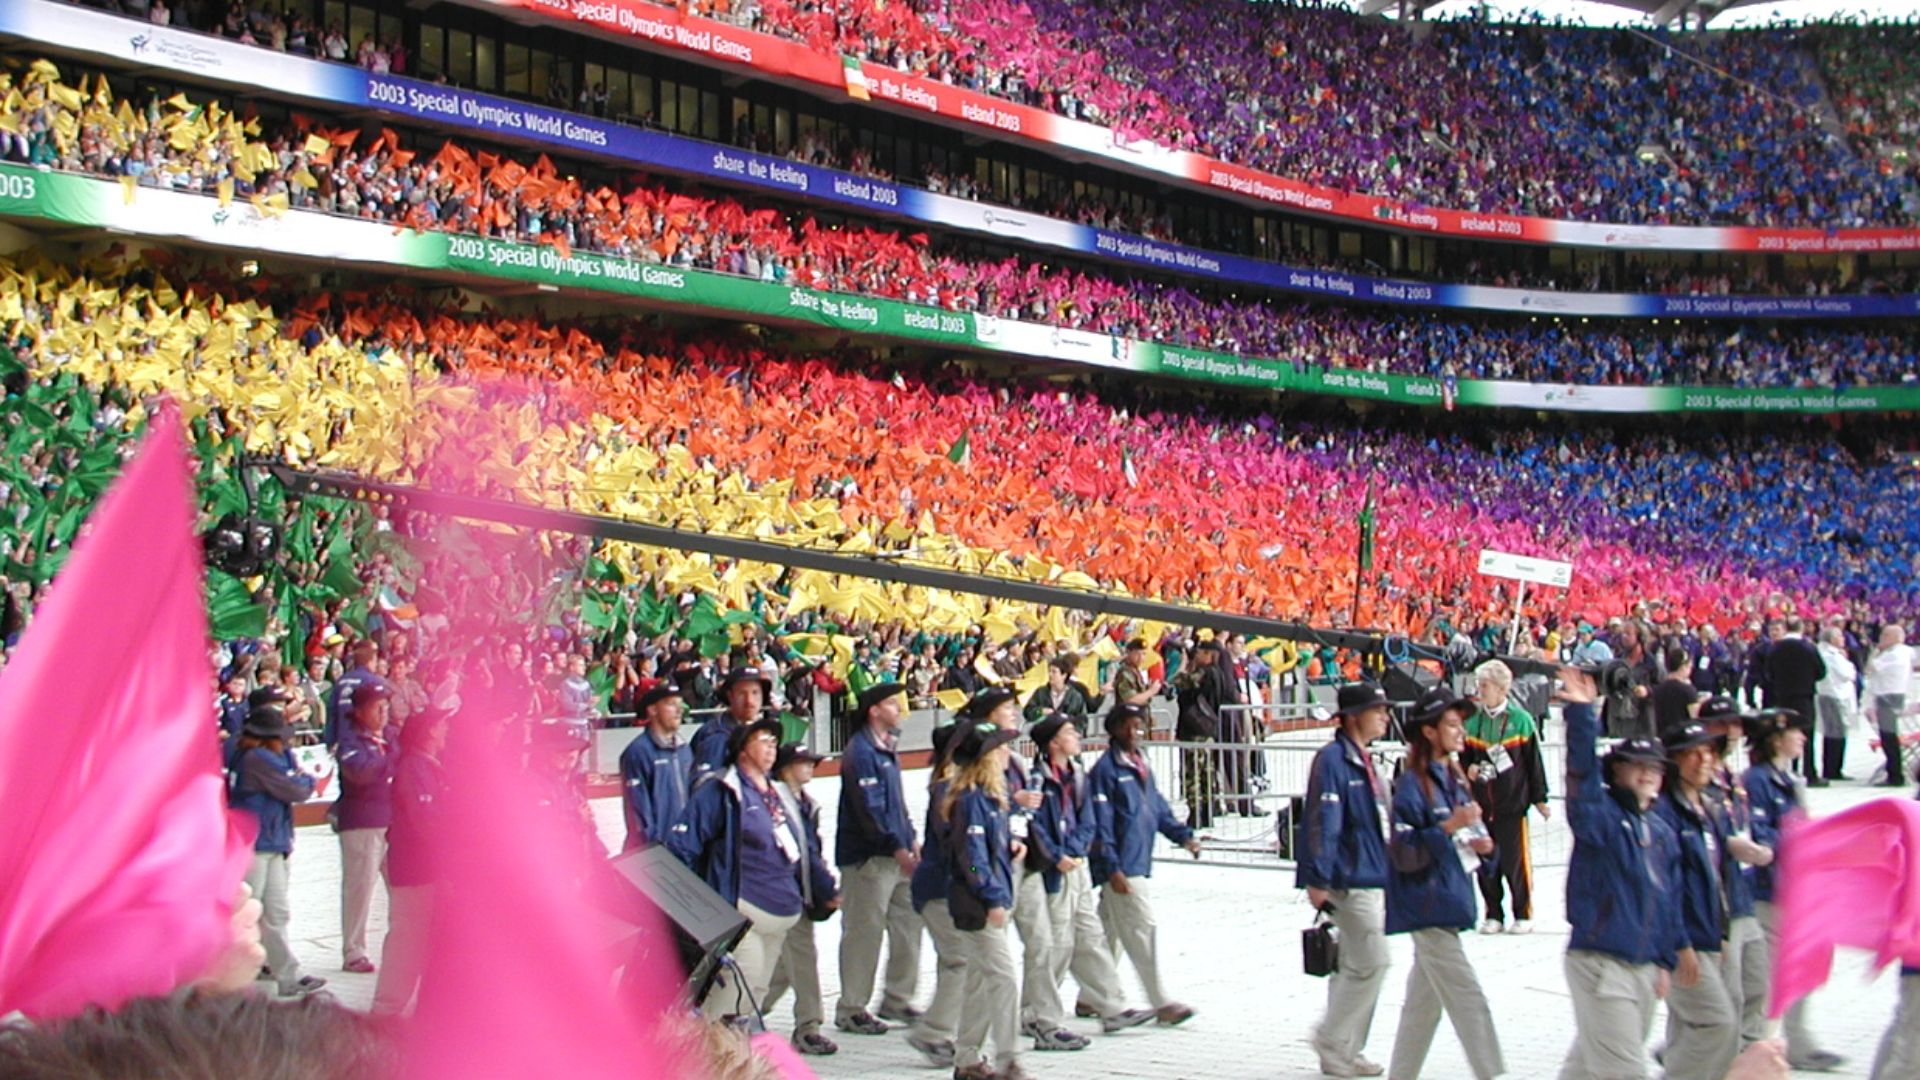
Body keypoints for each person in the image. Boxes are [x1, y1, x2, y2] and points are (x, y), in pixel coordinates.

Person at [1557, 666, 1683, 1080]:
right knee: (1624, 1070)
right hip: (1602, 962)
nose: (1648, 773)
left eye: (1656, 767)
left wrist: (1665, 958)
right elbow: (1581, 777)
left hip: (1644, 966)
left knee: (1589, 1067)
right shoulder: (1601, 818)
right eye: (1636, 765)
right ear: (1616, 771)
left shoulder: (1662, 831)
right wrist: (1581, 715)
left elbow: (1667, 899)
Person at [1385, 686, 1505, 1080]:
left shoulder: (1452, 780)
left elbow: (1462, 841)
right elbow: (1404, 852)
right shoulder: (1411, 785)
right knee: (1468, 998)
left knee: (1423, 1006)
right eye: (1451, 724)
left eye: (1460, 724)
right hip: (1427, 906)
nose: (1460, 731)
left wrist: (1482, 846)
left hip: (1450, 898)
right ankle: (1494, 1073)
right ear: (1429, 731)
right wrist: (1448, 827)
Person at [1028, 712, 1157, 1037]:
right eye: (1070, 732)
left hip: (1078, 867)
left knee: (1090, 936)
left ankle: (1112, 1007)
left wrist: (1077, 849)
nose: (1077, 736)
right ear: (1054, 742)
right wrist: (1056, 856)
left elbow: (1089, 820)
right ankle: (1034, 1010)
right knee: (1057, 942)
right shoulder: (1038, 780)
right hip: (1054, 871)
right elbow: (1034, 825)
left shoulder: (1079, 776)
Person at [667, 716, 799, 1019]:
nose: (771, 748)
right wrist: (704, 910)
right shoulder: (720, 790)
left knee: (754, 998)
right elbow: (680, 847)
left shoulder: (777, 793)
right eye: (763, 741)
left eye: (774, 742)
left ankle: (733, 1057)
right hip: (741, 914)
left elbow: (801, 847)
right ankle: (704, 1056)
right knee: (734, 992)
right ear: (742, 748)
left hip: (780, 910)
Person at [1296, 682, 1393, 1077]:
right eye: (1377, 710)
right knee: (1373, 962)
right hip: (1348, 877)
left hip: (1372, 872)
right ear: (1354, 716)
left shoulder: (1365, 759)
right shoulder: (1334, 761)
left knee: (1353, 965)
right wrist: (1316, 878)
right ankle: (1332, 1037)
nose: (1385, 717)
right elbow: (1323, 821)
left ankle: (1345, 1051)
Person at [1743, 708, 1845, 1072]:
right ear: (1775, 738)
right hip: (1768, 892)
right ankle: (1748, 1047)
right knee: (1768, 977)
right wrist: (1802, 834)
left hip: (1794, 888)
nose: (1803, 738)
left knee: (1798, 968)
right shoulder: (1756, 781)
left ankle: (1796, 1042)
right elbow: (1761, 836)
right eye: (1797, 732)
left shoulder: (1787, 779)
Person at [1090, 702, 1201, 1028]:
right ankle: (1159, 1000)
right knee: (1141, 930)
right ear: (1114, 729)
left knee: (1105, 933)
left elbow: (1157, 808)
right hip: (1123, 865)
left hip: (1136, 857)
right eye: (1129, 725)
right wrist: (1112, 868)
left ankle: (1091, 994)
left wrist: (1183, 836)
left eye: (1139, 725)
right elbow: (1101, 825)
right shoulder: (1106, 772)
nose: (1135, 731)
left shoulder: (1140, 765)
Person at [1655, 720, 1743, 1080]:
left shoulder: (1708, 808)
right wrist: (1680, 944)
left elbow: (1719, 878)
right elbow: (1665, 885)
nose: (1703, 760)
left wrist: (1722, 933)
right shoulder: (1665, 813)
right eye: (1692, 754)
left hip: (1711, 934)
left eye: (1708, 752)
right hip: (1683, 939)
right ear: (1673, 761)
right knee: (1717, 1024)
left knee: (1691, 1025)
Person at [833, 682, 922, 1036]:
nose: (898, 707)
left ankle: (898, 996)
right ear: (873, 710)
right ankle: (851, 1007)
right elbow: (869, 810)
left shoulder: (886, 747)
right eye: (891, 703)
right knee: (864, 932)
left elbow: (895, 803)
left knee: (908, 923)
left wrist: (910, 837)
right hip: (869, 858)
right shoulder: (861, 751)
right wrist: (897, 846)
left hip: (896, 854)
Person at [941, 720, 1027, 1080]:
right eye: (1000, 747)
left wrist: (1007, 847)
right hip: (976, 905)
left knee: (980, 980)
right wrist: (991, 895)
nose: (1008, 752)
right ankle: (1008, 1057)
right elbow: (971, 857)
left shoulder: (990, 800)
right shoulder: (972, 801)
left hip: (989, 900)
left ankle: (967, 1057)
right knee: (1004, 979)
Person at [227, 705, 325, 997]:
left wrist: (294, 769)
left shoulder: (253, 754)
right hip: (257, 843)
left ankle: (285, 974)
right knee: (251, 911)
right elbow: (297, 788)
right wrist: (302, 776)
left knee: (274, 912)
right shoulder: (258, 759)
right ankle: (237, 975)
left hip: (269, 841)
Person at [762, 742, 841, 1057]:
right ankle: (809, 1027)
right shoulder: (777, 803)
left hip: (801, 891)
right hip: (787, 892)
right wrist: (826, 887)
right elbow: (800, 853)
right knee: (804, 958)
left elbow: (812, 852)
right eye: (803, 762)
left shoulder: (806, 803)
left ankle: (742, 1013)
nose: (810, 766)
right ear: (785, 768)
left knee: (784, 966)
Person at [1461, 659, 1550, 935]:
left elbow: (1533, 762)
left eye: (1485, 685)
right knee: (1487, 863)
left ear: (1501, 688)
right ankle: (1493, 913)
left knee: (1515, 861)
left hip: (1512, 804)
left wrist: (1540, 798)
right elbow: (1463, 759)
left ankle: (1522, 912)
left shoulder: (1520, 721)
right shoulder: (1473, 722)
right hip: (1482, 805)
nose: (1480, 690)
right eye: (1479, 685)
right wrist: (1469, 770)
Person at [371, 708, 449, 1016]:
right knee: (407, 941)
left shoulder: (430, 767)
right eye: (441, 725)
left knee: (427, 942)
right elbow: (426, 823)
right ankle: (386, 1012)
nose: (446, 730)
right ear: (429, 732)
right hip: (417, 870)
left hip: (429, 870)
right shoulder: (414, 770)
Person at [906, 722, 967, 1069]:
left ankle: (947, 1029)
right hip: (939, 887)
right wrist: (979, 875)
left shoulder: (956, 785)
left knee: (954, 959)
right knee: (960, 958)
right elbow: (961, 848)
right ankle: (933, 1032)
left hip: (946, 885)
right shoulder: (949, 788)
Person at [333, 679, 394, 974]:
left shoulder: (390, 738)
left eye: (385, 706)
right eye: (376, 707)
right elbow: (362, 773)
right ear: (359, 711)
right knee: (360, 889)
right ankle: (354, 949)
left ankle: (401, 944)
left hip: (392, 822)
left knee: (401, 890)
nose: (383, 712)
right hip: (363, 823)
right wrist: (392, 759)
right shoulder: (350, 743)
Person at [618, 683, 692, 850]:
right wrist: (655, 851)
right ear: (652, 710)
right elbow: (638, 815)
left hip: (685, 849)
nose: (679, 710)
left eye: (680, 704)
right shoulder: (638, 752)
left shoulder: (685, 750)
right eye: (671, 704)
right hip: (658, 853)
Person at [1763, 619, 1825, 785]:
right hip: (1804, 696)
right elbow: (1821, 672)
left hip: (1782, 696)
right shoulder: (1808, 647)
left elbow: (1768, 673)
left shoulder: (1775, 648)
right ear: (1801, 627)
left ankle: (1787, 769)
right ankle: (1809, 772)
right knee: (1806, 735)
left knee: (1784, 733)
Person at [691, 665, 772, 784]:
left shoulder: (765, 735)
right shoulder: (714, 736)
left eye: (755, 693)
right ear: (730, 696)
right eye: (742, 694)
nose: (749, 700)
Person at [1864, 624, 1914, 787]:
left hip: (1888, 696)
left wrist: (1876, 651)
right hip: (1892, 695)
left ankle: (1895, 775)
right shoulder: (1904, 652)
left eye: (1885, 635)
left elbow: (1871, 667)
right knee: (1888, 736)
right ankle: (1894, 772)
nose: (1882, 639)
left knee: (1888, 737)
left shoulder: (1894, 654)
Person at [1812, 628, 1858, 782]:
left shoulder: (1830, 653)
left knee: (1835, 732)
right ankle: (1833, 769)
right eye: (1839, 636)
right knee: (1835, 733)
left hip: (1834, 695)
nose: (1843, 639)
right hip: (1833, 695)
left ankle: (1834, 767)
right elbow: (1848, 674)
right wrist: (1850, 665)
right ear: (1831, 639)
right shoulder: (1831, 655)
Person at [1652, 646, 1701, 734]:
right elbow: (1695, 718)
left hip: (1664, 738)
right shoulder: (1688, 690)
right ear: (1683, 667)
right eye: (1690, 667)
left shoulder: (1658, 689)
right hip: (1683, 738)